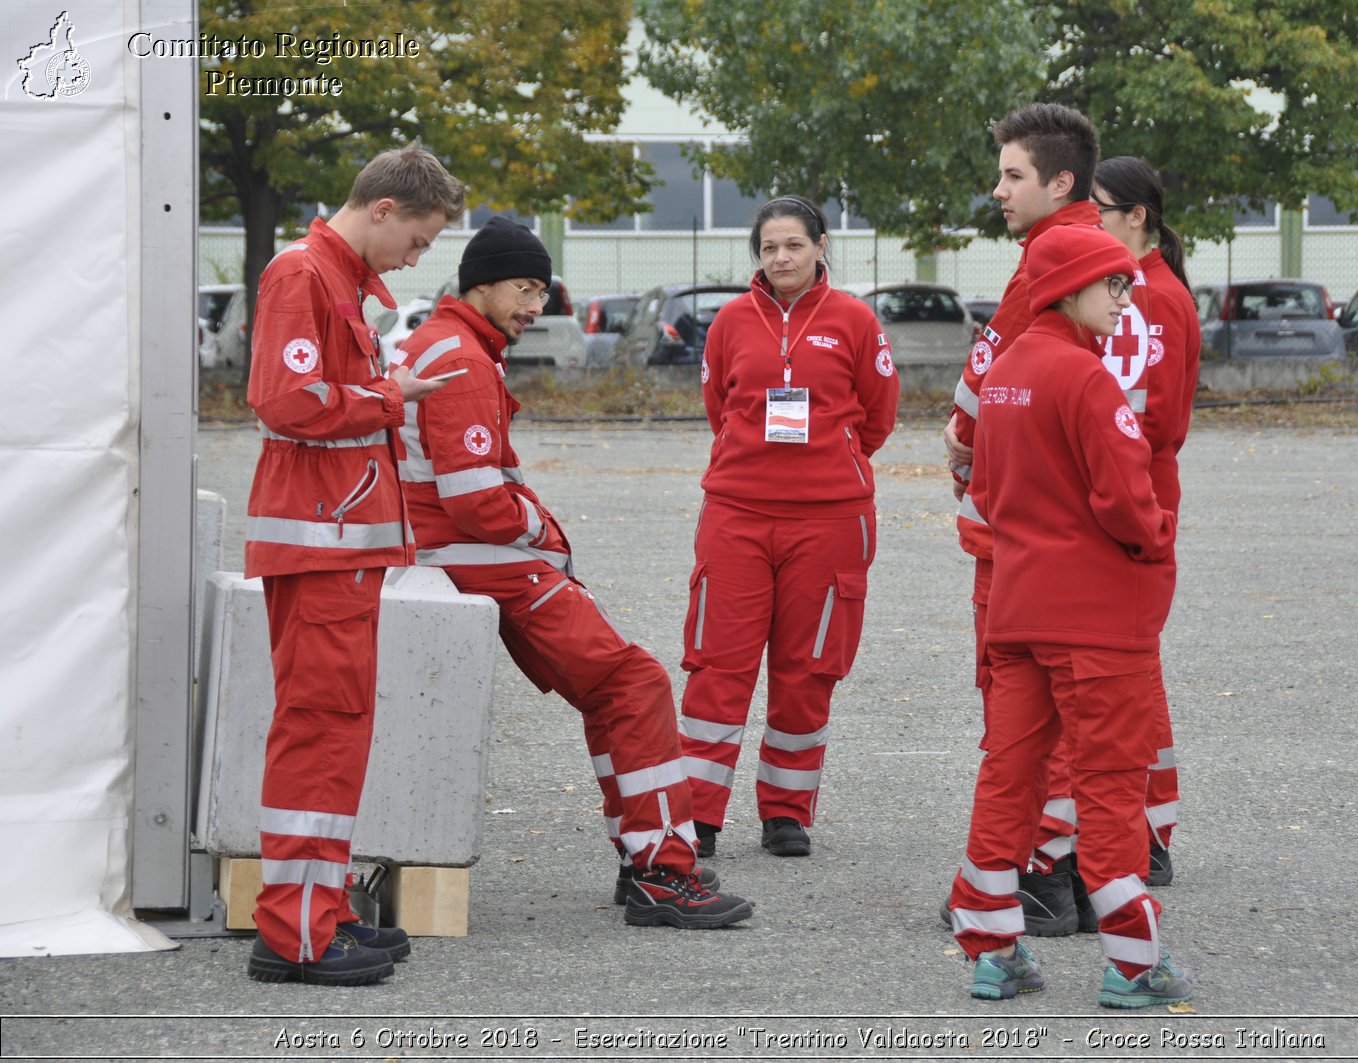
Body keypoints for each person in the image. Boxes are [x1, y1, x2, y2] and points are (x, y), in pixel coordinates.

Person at [395, 216, 752, 930]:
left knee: (610, 689)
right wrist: (545, 533)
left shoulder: (448, 344)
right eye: (525, 289)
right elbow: (475, 500)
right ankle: (660, 871)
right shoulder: (460, 356)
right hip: (488, 566)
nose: (537, 306)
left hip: (457, 565)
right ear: (482, 284)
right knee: (633, 681)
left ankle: (646, 856)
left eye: (542, 290)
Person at [947, 223, 1195, 1009]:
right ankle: (1133, 963)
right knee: (1111, 781)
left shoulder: (1007, 373)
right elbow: (1127, 502)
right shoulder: (1088, 380)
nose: (1126, 299)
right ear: (1071, 289)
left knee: (1009, 775)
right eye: (1114, 284)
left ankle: (993, 949)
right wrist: (1157, 541)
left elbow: (983, 487)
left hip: (1019, 608)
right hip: (1093, 618)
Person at [243, 143, 466, 985]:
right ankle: (297, 932)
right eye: (417, 239)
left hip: (335, 543)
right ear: (382, 209)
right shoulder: (302, 274)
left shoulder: (335, 279)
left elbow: (318, 394)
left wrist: (379, 387)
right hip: (321, 544)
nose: (418, 258)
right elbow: (287, 400)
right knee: (319, 731)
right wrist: (388, 397)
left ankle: (320, 909)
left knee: (336, 732)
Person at [677, 195, 900, 858]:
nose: (780, 258)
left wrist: (832, 461)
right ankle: (701, 815)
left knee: (808, 668)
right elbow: (721, 407)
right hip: (738, 515)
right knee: (717, 666)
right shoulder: (730, 323)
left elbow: (878, 417)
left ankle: (786, 811)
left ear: (821, 245)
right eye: (769, 248)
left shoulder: (856, 321)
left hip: (829, 520)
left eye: (793, 246)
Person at [940, 102, 1104, 936]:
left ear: (1060, 182)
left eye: (1013, 175)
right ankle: (1060, 864)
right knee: (1070, 702)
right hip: (1068, 520)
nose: (998, 190)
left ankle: (1035, 870)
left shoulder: (1052, 262)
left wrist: (962, 443)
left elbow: (995, 378)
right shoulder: (1105, 258)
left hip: (1024, 524)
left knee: (1023, 706)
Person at [1090, 156, 1202, 885]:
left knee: (1130, 678)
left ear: (1137, 216)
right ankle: (1147, 821)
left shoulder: (1150, 299)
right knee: (1132, 674)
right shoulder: (1125, 290)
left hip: (1130, 499)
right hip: (1118, 492)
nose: (1086, 223)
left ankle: (1148, 828)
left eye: (1096, 208)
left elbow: (1150, 417)